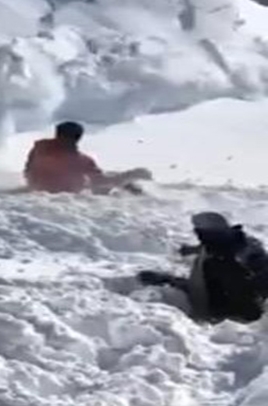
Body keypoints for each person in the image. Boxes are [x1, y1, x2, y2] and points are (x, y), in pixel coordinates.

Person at [138, 212, 268, 323]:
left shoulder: (239, 254)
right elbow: (203, 288)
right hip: (213, 302)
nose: (198, 235)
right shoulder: (219, 247)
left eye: (200, 231)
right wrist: (188, 251)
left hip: (234, 318)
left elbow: (255, 285)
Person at [23, 121, 151, 194]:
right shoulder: (81, 160)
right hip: (66, 193)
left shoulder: (40, 148)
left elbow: (28, 170)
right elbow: (101, 181)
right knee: (116, 184)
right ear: (78, 138)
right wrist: (129, 177)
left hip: (37, 186)